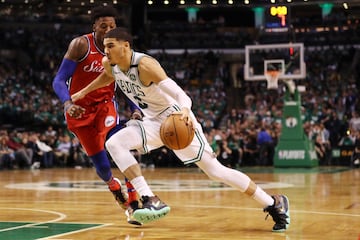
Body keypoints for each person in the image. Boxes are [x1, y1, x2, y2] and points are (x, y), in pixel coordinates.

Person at [71, 27, 291, 232]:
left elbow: (181, 95)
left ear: (126, 46)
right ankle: (150, 199)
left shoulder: (146, 66)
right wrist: (83, 92)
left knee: (216, 172)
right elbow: (107, 77)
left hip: (176, 120)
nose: (106, 49)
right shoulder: (109, 64)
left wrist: (185, 111)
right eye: (105, 45)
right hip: (151, 122)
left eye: (111, 45)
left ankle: (273, 203)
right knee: (114, 143)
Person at [52, 7, 141, 225]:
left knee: (121, 145)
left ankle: (135, 202)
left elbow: (124, 84)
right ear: (95, 27)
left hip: (105, 107)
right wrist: (67, 103)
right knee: (102, 167)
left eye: (112, 26)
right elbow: (59, 80)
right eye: (104, 26)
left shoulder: (118, 50)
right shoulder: (80, 45)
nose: (109, 30)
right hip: (79, 110)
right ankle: (114, 187)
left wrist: (134, 107)